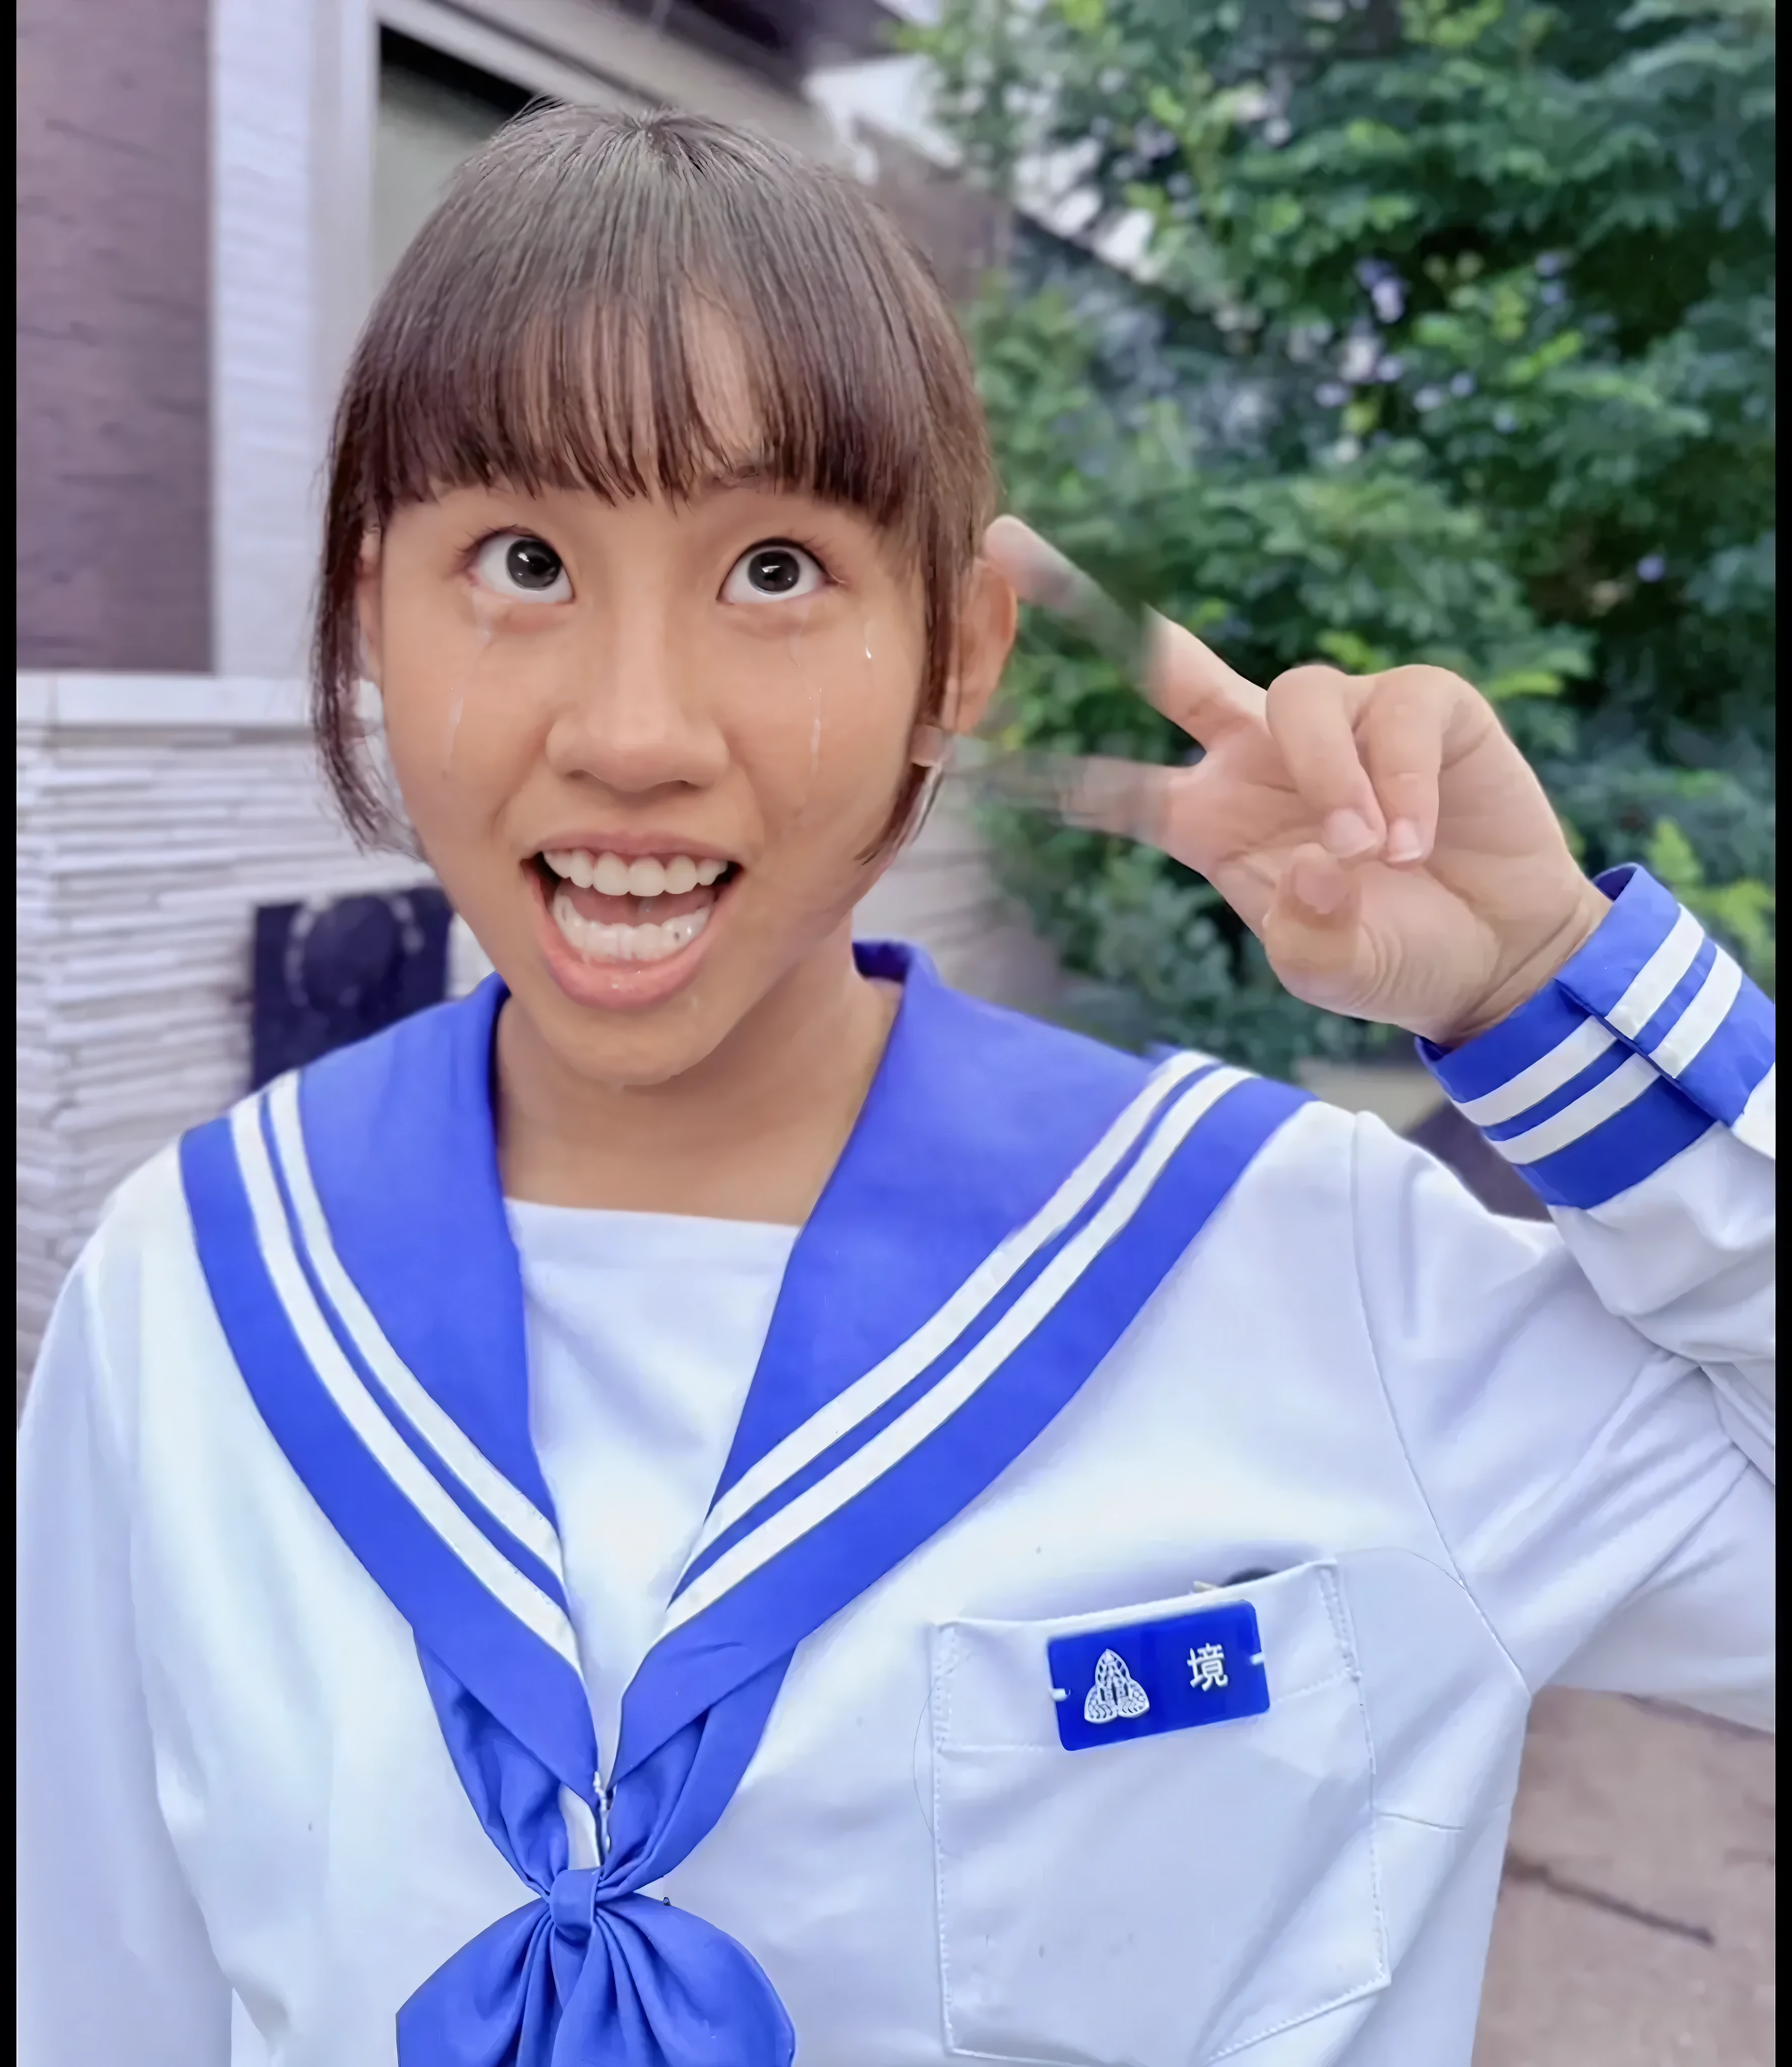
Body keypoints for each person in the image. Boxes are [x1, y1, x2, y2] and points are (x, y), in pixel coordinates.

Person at [16, 106, 1772, 2067]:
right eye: (522, 559)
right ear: (371, 612)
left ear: (960, 656)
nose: (635, 734)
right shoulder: (188, 1296)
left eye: (775, 568)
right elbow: (96, 2000)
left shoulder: (1311, 1274)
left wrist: (1560, 1001)